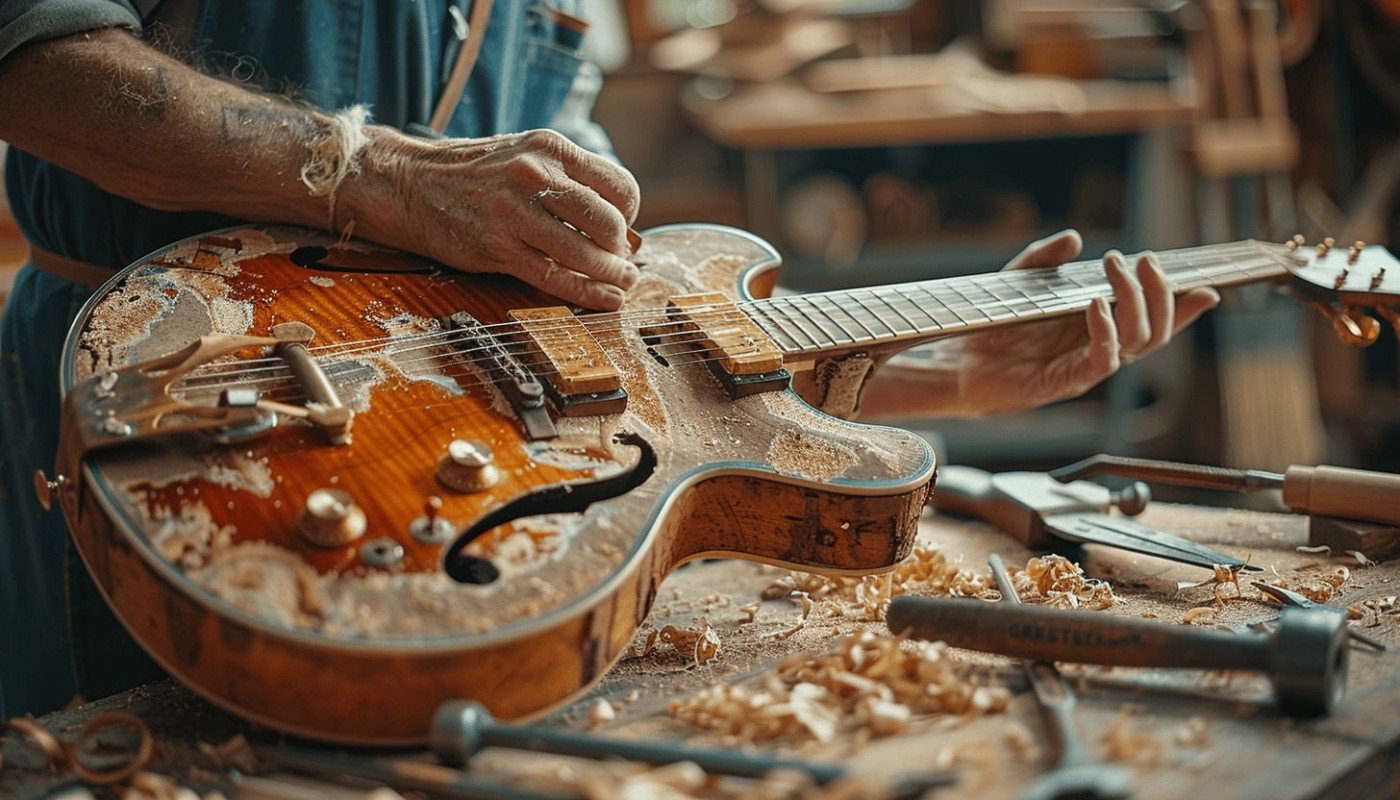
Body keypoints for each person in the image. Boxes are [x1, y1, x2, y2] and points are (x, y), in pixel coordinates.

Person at [0, 1, 1217, 720]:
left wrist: (951, 374)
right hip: (170, 399)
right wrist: (377, 173)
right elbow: (33, 56)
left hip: (454, 494)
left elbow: (611, 334)